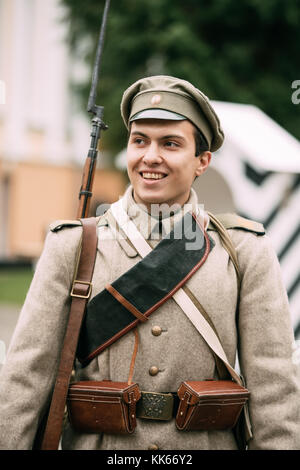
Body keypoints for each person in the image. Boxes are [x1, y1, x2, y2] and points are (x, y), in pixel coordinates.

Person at [0, 75, 299, 450]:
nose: (150, 156)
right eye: (139, 140)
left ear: (202, 161)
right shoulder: (74, 244)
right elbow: (27, 377)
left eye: (170, 144)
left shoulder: (242, 250)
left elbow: (274, 389)